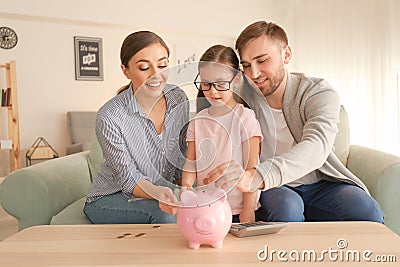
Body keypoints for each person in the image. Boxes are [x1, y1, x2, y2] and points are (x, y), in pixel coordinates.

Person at [206, 21, 384, 223]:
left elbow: (316, 146)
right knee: (286, 208)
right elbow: (210, 108)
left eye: (262, 61)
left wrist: (257, 176)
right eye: (246, 65)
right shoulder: (243, 96)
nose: (254, 74)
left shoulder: (317, 92)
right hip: (275, 188)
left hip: (320, 182)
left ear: (286, 54)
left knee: (366, 211)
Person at [84, 31, 189, 224]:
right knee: (165, 216)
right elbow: (128, 178)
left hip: (160, 189)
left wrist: (189, 189)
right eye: (143, 67)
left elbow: (182, 153)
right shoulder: (110, 116)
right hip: (111, 196)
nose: (156, 74)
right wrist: (158, 192)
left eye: (163, 64)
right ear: (126, 70)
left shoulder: (177, 98)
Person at [181, 45, 263, 223]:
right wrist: (186, 188)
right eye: (206, 84)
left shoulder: (245, 117)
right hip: (207, 207)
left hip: (239, 209)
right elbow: (190, 163)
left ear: (237, 79)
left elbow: (252, 169)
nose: (212, 91)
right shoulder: (198, 120)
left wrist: (248, 211)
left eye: (220, 83)